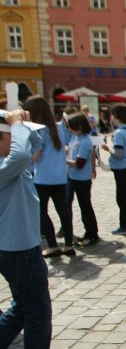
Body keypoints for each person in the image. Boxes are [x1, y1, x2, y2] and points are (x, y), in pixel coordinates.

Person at [0, 108, 74, 349]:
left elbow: (31, 149)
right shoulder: (6, 163)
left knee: (23, 308)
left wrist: (22, 127)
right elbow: (21, 155)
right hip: (17, 251)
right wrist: (17, 123)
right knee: (38, 311)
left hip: (20, 247)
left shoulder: (7, 162)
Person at [24, 96, 75, 257]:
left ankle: (52, 245)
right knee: (63, 211)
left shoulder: (38, 130)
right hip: (60, 177)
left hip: (43, 178)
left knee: (42, 211)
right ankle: (68, 244)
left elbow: (35, 155)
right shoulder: (57, 128)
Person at [101, 104, 126, 237]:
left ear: (116, 116)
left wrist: (108, 148)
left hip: (121, 168)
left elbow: (118, 153)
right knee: (121, 198)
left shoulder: (119, 132)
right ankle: (123, 225)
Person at [65, 113, 100, 247]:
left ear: (79, 127)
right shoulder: (76, 137)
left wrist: (63, 160)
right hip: (73, 177)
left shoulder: (84, 141)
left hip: (81, 179)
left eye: (71, 127)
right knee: (79, 205)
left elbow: (79, 163)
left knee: (85, 206)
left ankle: (91, 234)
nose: (69, 129)